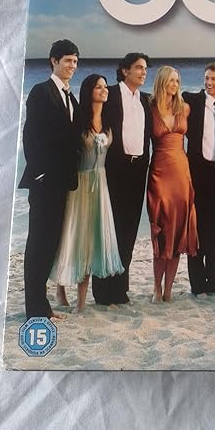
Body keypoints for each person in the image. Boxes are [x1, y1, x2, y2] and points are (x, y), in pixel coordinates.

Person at [18, 39, 82, 320]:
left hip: (62, 182)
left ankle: (42, 306)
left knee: (50, 244)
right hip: (44, 182)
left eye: (75, 61)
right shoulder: (40, 92)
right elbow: (30, 135)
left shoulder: (71, 97)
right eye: (67, 60)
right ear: (54, 61)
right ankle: (34, 308)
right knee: (38, 244)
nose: (72, 66)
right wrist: (39, 172)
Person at [50, 74, 124, 312]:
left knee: (92, 240)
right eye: (98, 87)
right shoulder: (79, 119)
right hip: (79, 186)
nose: (104, 90)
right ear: (89, 90)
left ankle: (81, 303)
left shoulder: (109, 120)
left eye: (105, 86)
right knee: (72, 237)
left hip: (100, 185)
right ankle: (60, 288)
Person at [91, 53, 152, 305]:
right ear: (125, 71)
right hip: (115, 168)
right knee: (110, 228)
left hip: (139, 169)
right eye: (139, 68)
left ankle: (120, 288)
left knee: (129, 229)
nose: (143, 72)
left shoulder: (146, 99)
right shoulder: (112, 94)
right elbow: (95, 121)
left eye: (145, 68)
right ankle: (102, 290)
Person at [147, 66, 198, 302]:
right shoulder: (150, 108)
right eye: (171, 81)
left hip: (181, 173)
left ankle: (168, 290)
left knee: (177, 232)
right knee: (161, 231)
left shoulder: (184, 108)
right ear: (161, 82)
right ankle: (156, 288)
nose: (175, 85)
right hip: (159, 172)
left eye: (177, 81)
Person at [182, 62, 215, 296]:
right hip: (198, 173)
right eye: (206, 78)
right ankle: (197, 283)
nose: (209, 82)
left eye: (213, 79)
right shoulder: (192, 100)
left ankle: (214, 281)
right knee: (197, 229)